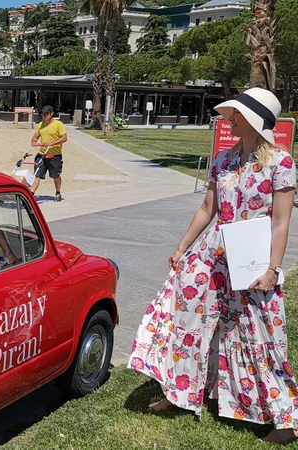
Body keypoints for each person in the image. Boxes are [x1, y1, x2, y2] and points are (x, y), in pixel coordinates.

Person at [127, 88, 298, 443]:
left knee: (259, 334)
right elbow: (209, 208)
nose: (229, 121)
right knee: (187, 320)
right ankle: (180, 394)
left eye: (235, 115)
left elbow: (281, 222)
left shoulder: (281, 163)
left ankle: (284, 420)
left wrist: (272, 268)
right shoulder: (223, 159)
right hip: (214, 254)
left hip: (252, 257)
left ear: (254, 120)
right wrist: (182, 246)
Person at [25, 105, 67, 202]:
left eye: (46, 114)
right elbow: (36, 136)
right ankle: (31, 193)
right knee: (37, 174)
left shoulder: (58, 124)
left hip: (54, 155)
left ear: (51, 114)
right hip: (42, 154)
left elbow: (64, 138)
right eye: (43, 114)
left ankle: (57, 192)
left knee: (55, 175)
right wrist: (33, 141)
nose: (44, 116)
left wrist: (51, 144)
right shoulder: (41, 124)